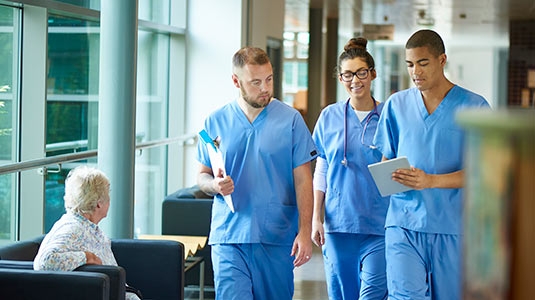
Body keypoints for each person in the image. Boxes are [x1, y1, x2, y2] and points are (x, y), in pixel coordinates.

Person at [372, 29, 491, 299]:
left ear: (442, 60)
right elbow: (386, 159)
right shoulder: (396, 105)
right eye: (410, 64)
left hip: (452, 228)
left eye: (423, 63)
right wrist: (388, 175)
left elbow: (484, 173)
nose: (415, 72)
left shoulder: (474, 107)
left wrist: (431, 181)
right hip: (403, 224)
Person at [196, 46, 318, 300]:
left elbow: (304, 180)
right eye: (255, 82)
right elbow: (202, 176)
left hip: (276, 235)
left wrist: (305, 232)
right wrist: (215, 186)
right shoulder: (215, 121)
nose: (265, 88)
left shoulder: (291, 120)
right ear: (236, 81)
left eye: (269, 79)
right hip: (229, 235)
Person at [311, 37, 388, 300]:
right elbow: (321, 168)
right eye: (347, 75)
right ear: (340, 78)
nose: (355, 80)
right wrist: (316, 218)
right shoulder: (329, 116)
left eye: (361, 73)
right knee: (342, 295)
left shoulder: (388, 116)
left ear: (373, 74)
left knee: (372, 294)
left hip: (380, 224)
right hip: (339, 224)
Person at [34, 166, 141, 300]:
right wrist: (87, 257)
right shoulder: (72, 229)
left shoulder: (90, 228)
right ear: (99, 204)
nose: (110, 200)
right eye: (107, 195)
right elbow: (45, 263)